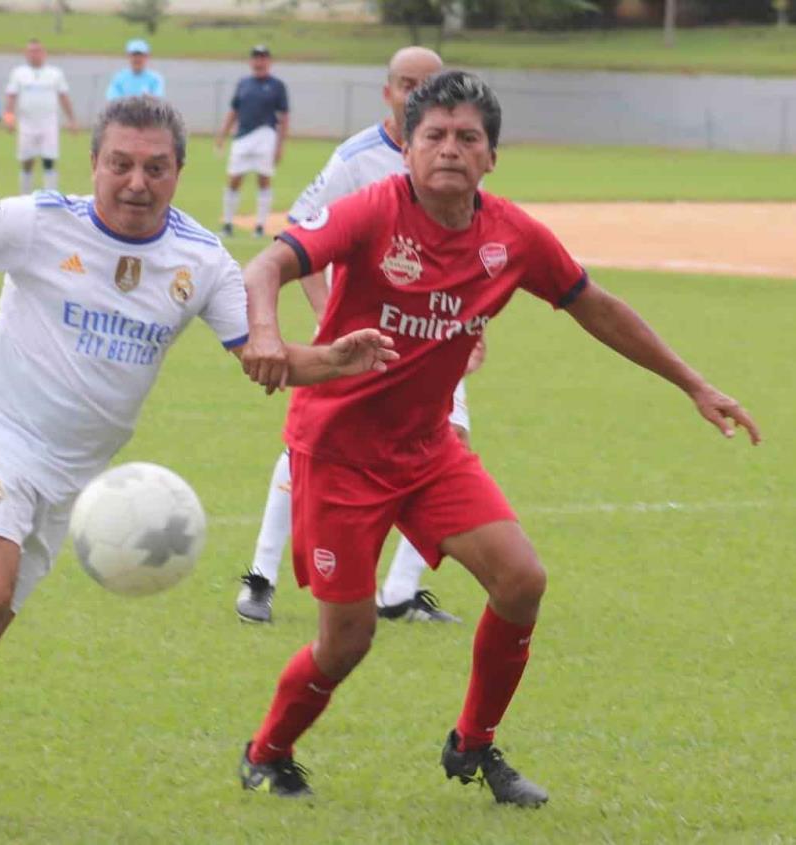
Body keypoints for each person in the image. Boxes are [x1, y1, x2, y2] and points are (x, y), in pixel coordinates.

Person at [0, 95, 395, 835]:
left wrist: (331, 361)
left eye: (154, 167)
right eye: (119, 164)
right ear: (95, 164)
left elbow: (263, 358)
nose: (136, 182)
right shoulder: (40, 221)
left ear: (179, 171)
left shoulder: (202, 261)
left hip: (76, 471)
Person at [237, 70, 760, 805]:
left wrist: (694, 383)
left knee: (521, 580)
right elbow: (267, 262)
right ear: (408, 150)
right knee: (346, 640)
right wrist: (265, 331)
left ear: (490, 156)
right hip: (339, 453)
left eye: (467, 138)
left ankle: (472, 743)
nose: (449, 149)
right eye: (434, 136)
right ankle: (267, 751)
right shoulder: (369, 212)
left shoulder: (512, 235)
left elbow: (596, 307)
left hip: (426, 448)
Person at [236, 47, 464, 626]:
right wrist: (328, 316)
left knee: (449, 440)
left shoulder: (451, 158)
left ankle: (400, 592)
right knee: (305, 446)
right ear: (387, 91)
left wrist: (468, 322)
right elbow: (299, 235)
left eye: (429, 85)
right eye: (406, 84)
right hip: (356, 341)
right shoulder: (355, 159)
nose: (417, 95)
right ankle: (261, 576)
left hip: (431, 339)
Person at [214, 45, 289, 238]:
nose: (259, 61)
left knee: (263, 180)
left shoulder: (277, 86)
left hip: (266, 137)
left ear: (269, 61)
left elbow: (284, 116)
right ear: (251, 61)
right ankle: (228, 224)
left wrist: (280, 145)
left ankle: (259, 226)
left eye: (263, 57)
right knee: (233, 180)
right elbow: (234, 110)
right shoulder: (243, 83)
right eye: (256, 57)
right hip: (242, 138)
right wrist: (222, 134)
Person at [3, 38, 77, 194]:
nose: (34, 55)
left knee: (49, 159)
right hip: (26, 124)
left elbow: (63, 97)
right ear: (26, 54)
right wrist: (9, 117)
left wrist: (71, 119)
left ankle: (51, 196)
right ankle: (25, 196)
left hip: (48, 123)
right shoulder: (18, 73)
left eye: (37, 51)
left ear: (44, 53)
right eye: (30, 51)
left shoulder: (55, 73)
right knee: (26, 160)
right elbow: (11, 97)